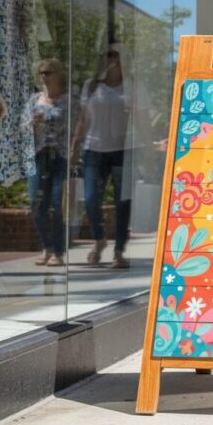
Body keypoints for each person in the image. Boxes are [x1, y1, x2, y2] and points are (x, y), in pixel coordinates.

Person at [71, 45, 131, 268]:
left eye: (115, 55)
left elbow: (142, 118)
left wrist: (149, 149)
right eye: (107, 55)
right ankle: (99, 240)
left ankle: (119, 251)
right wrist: (74, 146)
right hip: (93, 149)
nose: (111, 59)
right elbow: (83, 119)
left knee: (122, 202)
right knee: (90, 198)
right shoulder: (91, 86)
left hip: (122, 150)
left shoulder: (131, 86)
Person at [23, 59, 73, 267]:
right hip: (39, 156)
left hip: (61, 157)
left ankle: (58, 252)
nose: (44, 76)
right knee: (36, 204)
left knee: (58, 204)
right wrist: (32, 123)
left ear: (59, 74)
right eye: (42, 72)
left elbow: (78, 127)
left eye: (49, 72)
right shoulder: (34, 100)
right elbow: (22, 128)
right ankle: (47, 246)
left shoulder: (68, 101)